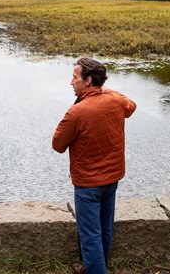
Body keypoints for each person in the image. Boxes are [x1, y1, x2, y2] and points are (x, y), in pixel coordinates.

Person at [52, 57, 137, 274]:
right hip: (112, 179)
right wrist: (103, 90)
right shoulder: (115, 101)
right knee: (105, 227)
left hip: (88, 184)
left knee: (90, 235)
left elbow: (58, 145)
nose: (71, 82)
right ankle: (96, 267)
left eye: (74, 77)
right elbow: (131, 106)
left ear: (87, 81)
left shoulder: (77, 112)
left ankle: (95, 270)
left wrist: (94, 95)